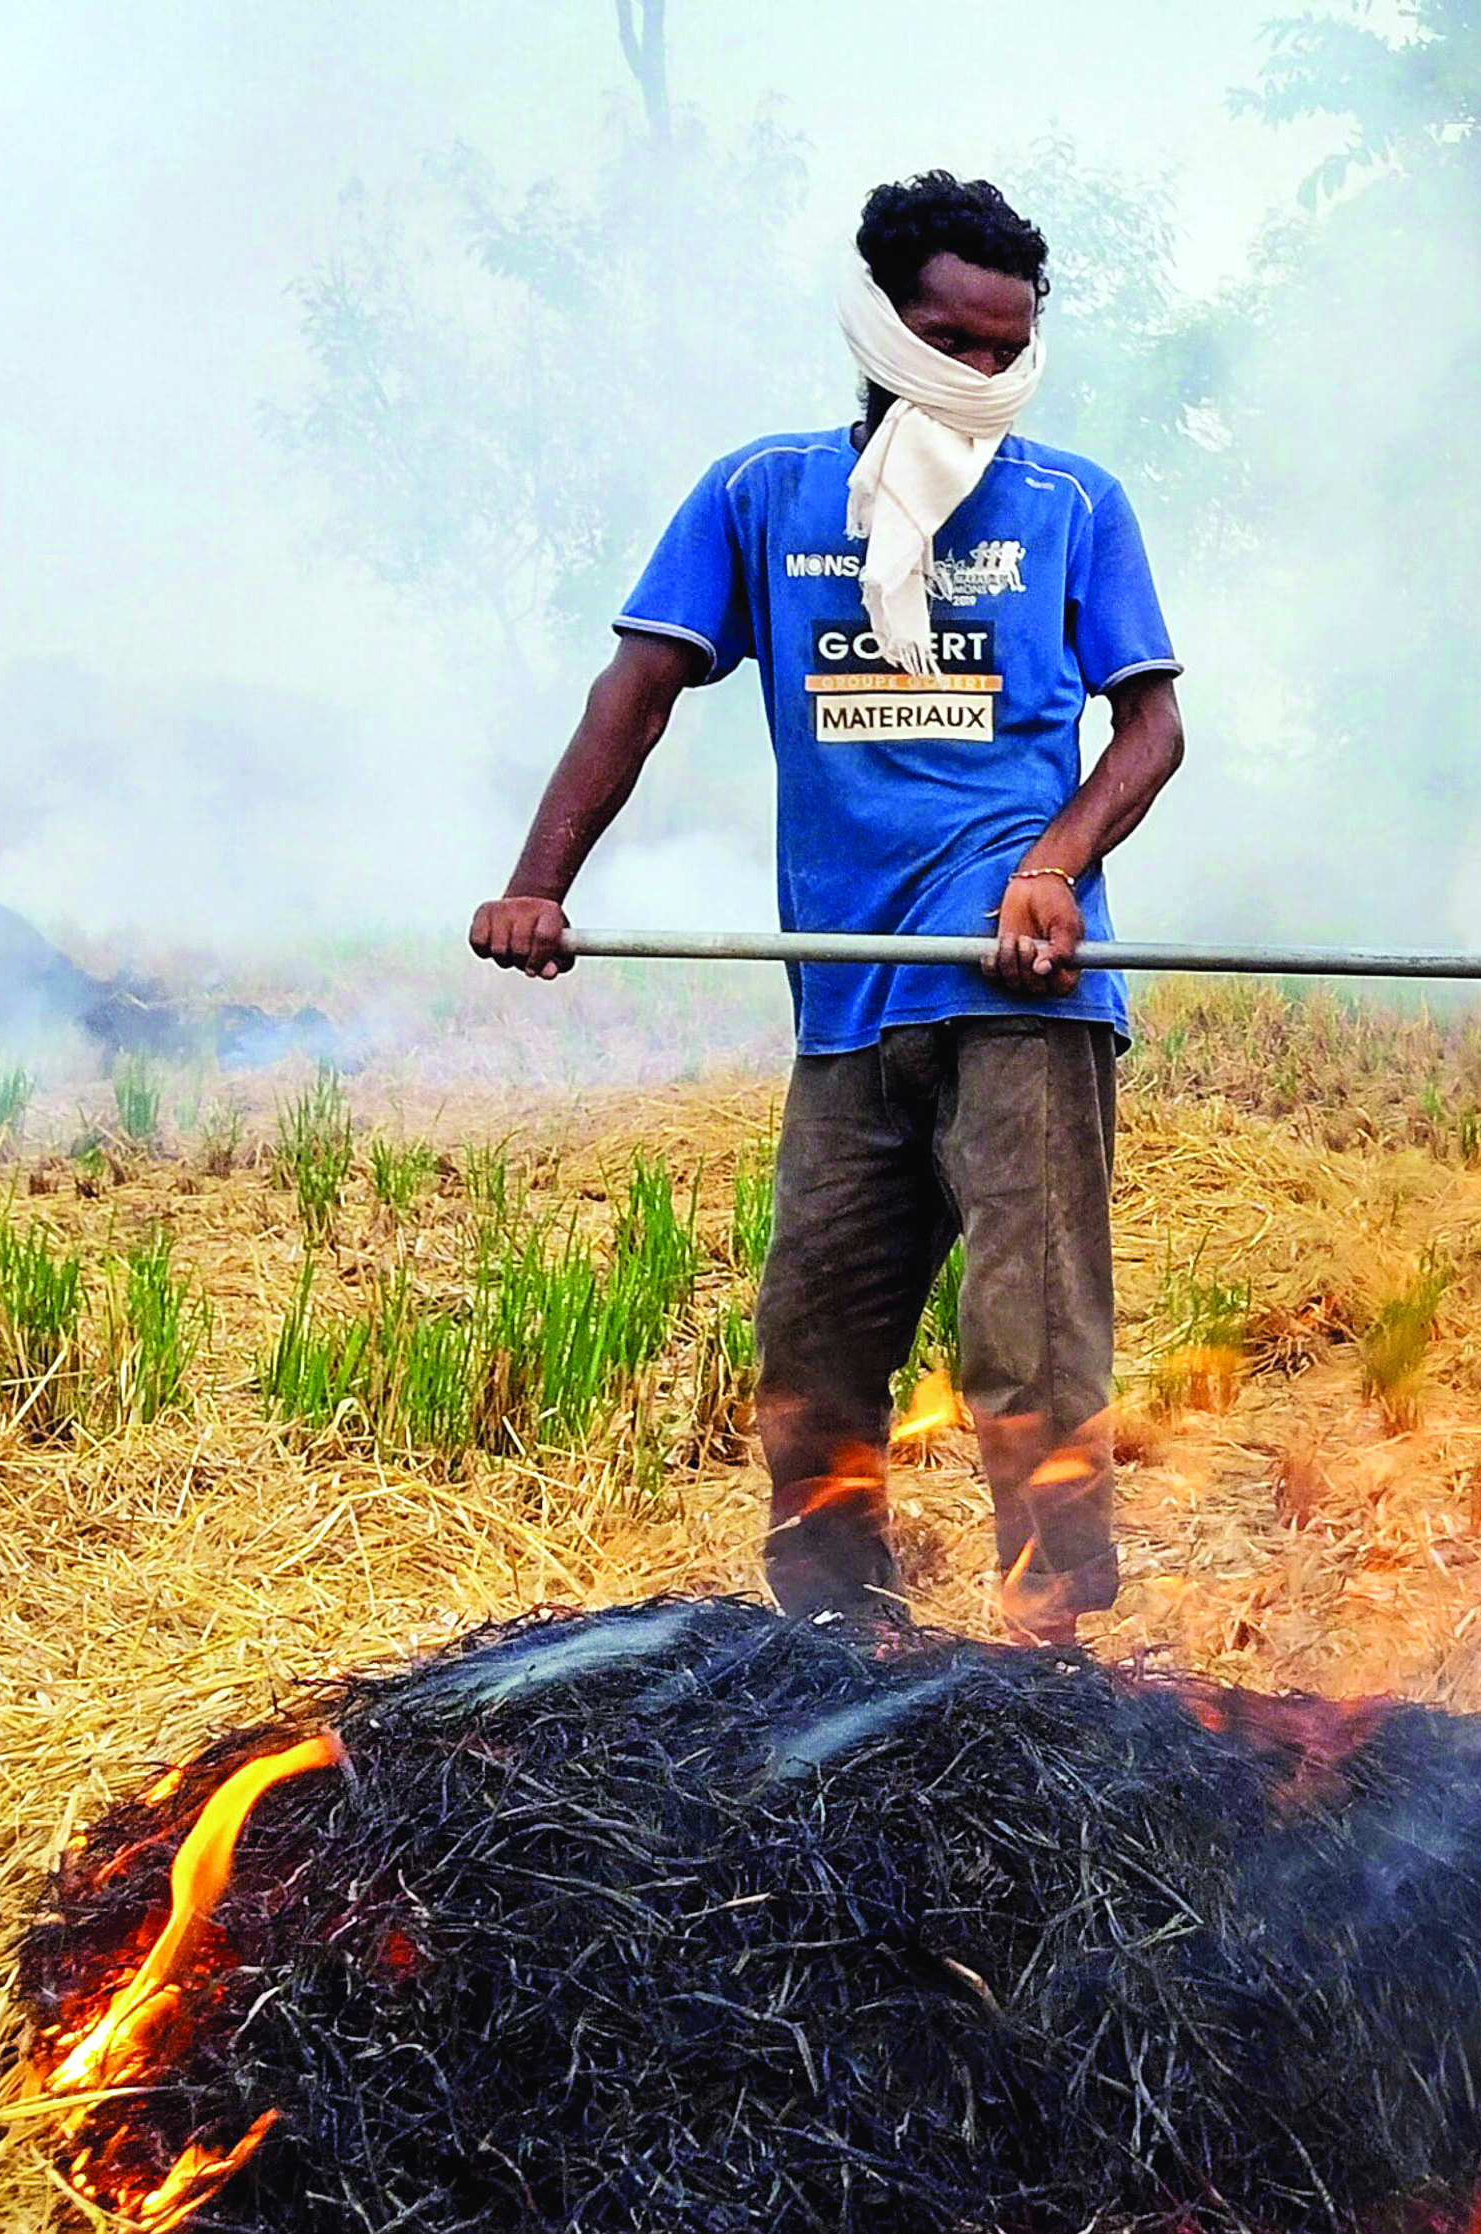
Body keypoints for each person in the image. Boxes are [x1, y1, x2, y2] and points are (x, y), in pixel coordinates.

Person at [471, 171, 1183, 1643]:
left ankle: (1052, 1667)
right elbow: (641, 686)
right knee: (812, 1355)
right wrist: (541, 882)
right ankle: (835, 1661)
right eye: (947, 340)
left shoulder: (1072, 506)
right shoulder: (761, 495)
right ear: (874, 327)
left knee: (1031, 1363)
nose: (980, 375)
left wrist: (1051, 865)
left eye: (1007, 348)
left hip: (1019, 984)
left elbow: (1152, 728)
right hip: (849, 995)